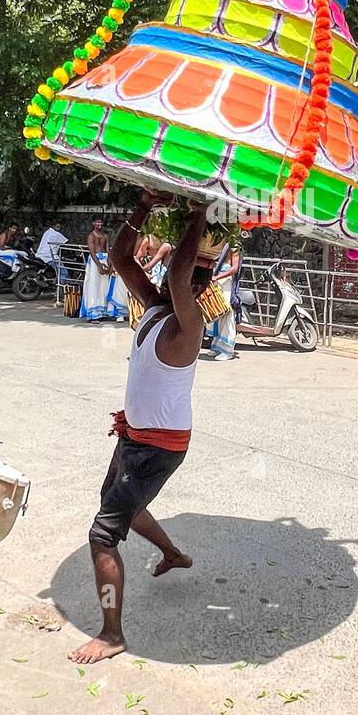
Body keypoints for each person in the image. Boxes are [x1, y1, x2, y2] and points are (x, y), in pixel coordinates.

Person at [69, 193, 207, 665]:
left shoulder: (188, 329)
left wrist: (200, 215)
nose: (165, 275)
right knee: (120, 505)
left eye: (176, 276)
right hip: (135, 436)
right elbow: (119, 257)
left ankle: (111, 634)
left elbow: (182, 274)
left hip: (158, 447)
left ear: (189, 286)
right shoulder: (154, 306)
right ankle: (173, 554)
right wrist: (144, 204)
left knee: (102, 534)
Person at [206, 243, 240, 361]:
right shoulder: (219, 245)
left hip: (227, 285)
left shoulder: (235, 247)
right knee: (217, 315)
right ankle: (216, 347)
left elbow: (234, 268)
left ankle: (227, 350)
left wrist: (218, 277)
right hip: (218, 284)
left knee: (227, 314)